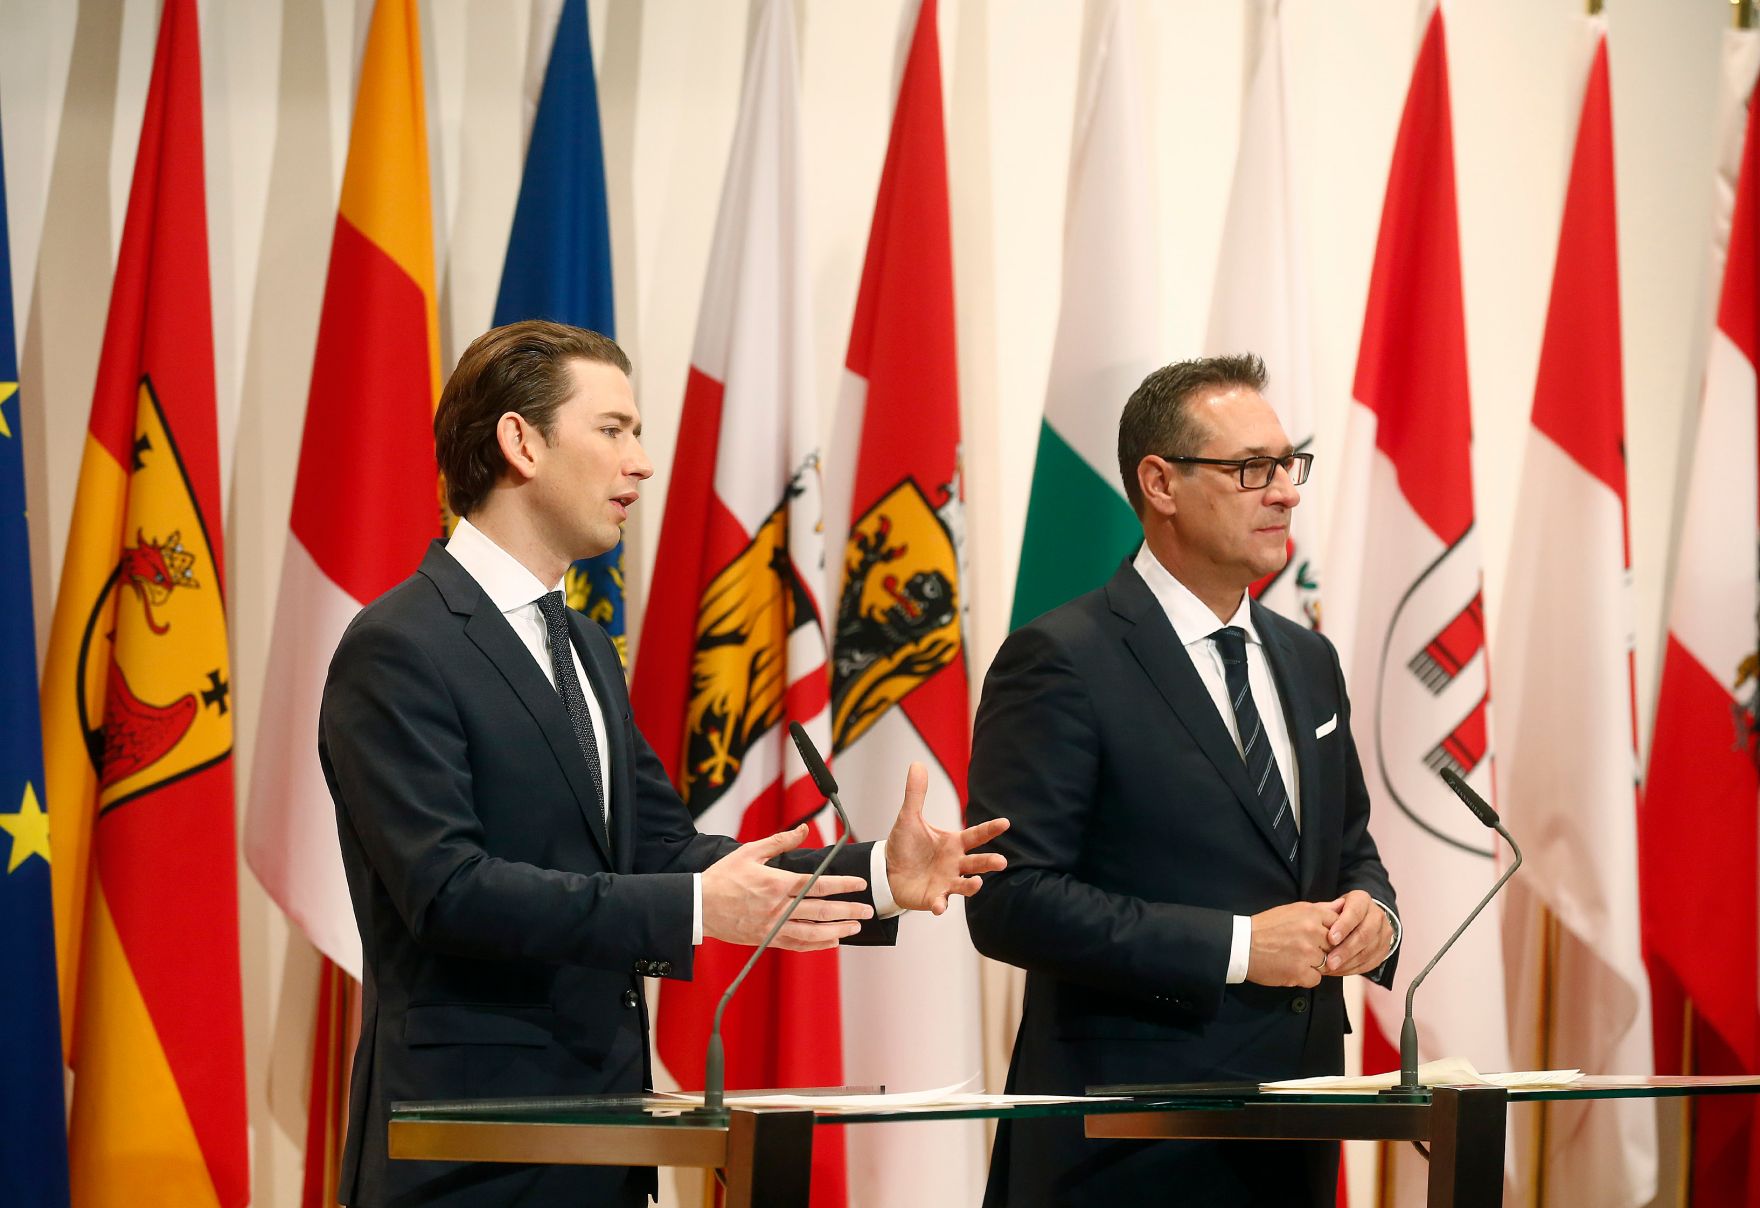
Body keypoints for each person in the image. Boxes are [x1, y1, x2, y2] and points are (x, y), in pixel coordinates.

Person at [320, 320, 1008, 1208]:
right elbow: (448, 891)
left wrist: (877, 876)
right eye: (613, 430)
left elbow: (664, 851)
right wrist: (693, 908)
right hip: (469, 1149)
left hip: (606, 1141)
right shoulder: (399, 645)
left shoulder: (586, 649)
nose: (642, 462)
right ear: (520, 442)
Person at [965, 354, 1399, 1206]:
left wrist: (1372, 915)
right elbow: (1011, 900)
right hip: (1127, 1140)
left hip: (1297, 1125)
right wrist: (1240, 949)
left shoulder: (1309, 661)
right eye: (1251, 470)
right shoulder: (1062, 659)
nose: (1285, 493)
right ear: (1159, 483)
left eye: (1289, 466)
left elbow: (1349, 848)